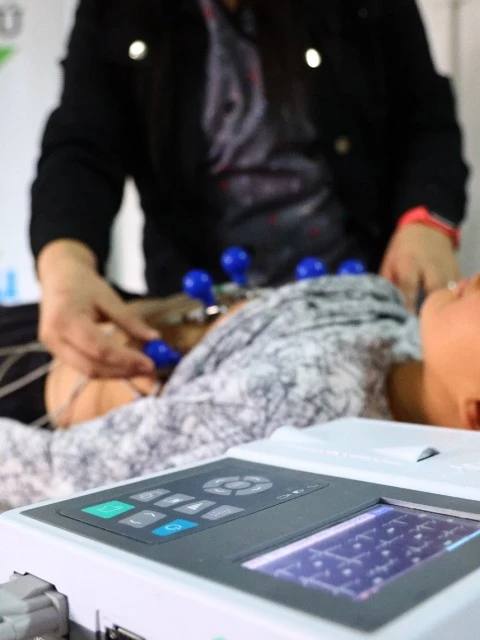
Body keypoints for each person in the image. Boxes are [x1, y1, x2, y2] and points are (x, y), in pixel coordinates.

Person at [30, 0, 468, 381]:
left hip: (362, 302)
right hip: (204, 322)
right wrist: (66, 262)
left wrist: (426, 222)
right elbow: (82, 146)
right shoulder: (117, 10)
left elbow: (426, 121)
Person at [0, 272, 479, 508]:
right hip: (90, 312)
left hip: (34, 392)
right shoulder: (402, 329)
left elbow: (63, 475)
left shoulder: (302, 415)